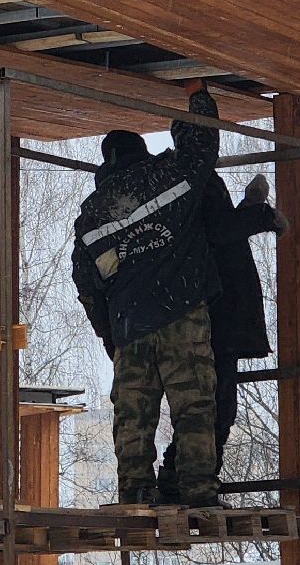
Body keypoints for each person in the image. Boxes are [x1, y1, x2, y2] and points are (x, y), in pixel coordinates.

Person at [71, 81, 222, 507]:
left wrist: (110, 336)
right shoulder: (166, 177)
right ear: (141, 152)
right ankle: (198, 489)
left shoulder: (92, 214)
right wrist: (197, 95)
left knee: (133, 413)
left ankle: (135, 489)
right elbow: (201, 148)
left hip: (129, 326)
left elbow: (86, 285)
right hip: (182, 313)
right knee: (194, 406)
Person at [158, 171, 286, 502]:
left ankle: (178, 480)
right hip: (216, 323)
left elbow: (218, 231)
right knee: (214, 409)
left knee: (211, 408)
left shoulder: (184, 182)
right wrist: (258, 214)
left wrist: (250, 210)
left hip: (210, 321)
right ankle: (188, 482)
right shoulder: (196, 179)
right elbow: (219, 230)